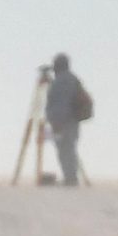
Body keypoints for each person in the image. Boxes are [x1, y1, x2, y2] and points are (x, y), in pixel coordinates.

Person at [43, 52, 87, 187]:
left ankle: (71, 179)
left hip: (62, 121)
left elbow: (60, 103)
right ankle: (71, 177)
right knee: (69, 149)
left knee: (65, 150)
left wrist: (55, 122)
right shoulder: (72, 79)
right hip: (72, 121)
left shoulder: (60, 82)